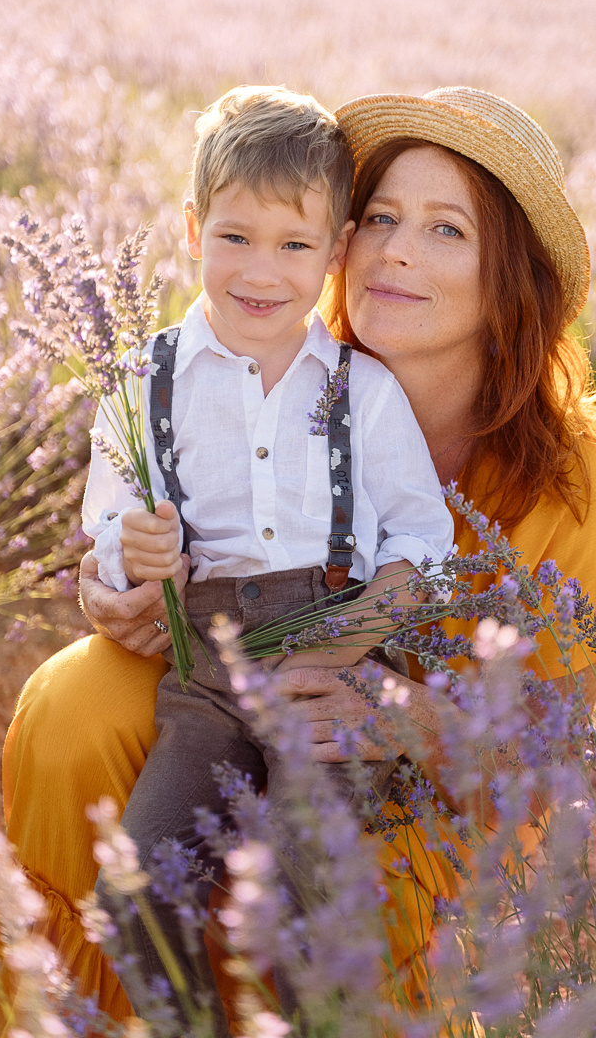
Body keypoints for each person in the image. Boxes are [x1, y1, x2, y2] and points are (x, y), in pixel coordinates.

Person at [0, 87, 596, 1036]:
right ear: (342, 242)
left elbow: (554, 728)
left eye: (446, 230)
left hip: (432, 788)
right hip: (235, 700)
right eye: (380, 218)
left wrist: (399, 716)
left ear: (509, 278)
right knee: (77, 704)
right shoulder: (267, 368)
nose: (397, 250)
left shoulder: (566, 478)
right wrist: (121, 586)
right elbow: (154, 523)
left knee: (322, 887)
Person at [80, 84, 454, 1030]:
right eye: (236, 237)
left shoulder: (362, 392)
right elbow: (108, 542)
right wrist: (139, 556)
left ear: (334, 255)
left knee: (304, 897)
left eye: (295, 246)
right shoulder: (144, 381)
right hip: (205, 683)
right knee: (137, 893)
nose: (262, 270)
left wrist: (346, 646)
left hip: (330, 677)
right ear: (194, 227)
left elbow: (422, 541)